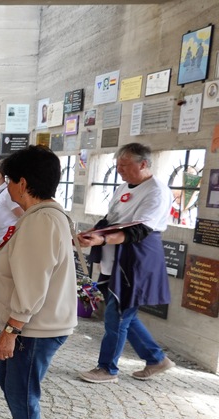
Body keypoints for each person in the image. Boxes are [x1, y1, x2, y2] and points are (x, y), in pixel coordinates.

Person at [0, 145, 77, 419]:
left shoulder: (42, 220)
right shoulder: (38, 217)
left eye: (8, 180)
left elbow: (35, 283)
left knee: (21, 390)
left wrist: (11, 329)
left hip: (36, 327)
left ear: (23, 182)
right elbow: (25, 268)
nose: (5, 187)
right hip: (31, 323)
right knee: (8, 381)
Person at [77, 143, 175, 383]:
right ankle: (156, 358)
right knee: (124, 314)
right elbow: (112, 219)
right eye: (117, 165)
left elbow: (138, 230)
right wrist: (92, 232)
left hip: (137, 259)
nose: (119, 170)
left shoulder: (157, 191)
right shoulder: (123, 186)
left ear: (143, 164)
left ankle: (107, 368)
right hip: (114, 257)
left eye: (124, 165)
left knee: (117, 316)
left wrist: (100, 239)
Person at [0, 159, 24, 328]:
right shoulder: (0, 193)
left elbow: (22, 214)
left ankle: (0, 313)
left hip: (5, 242)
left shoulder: (8, 194)